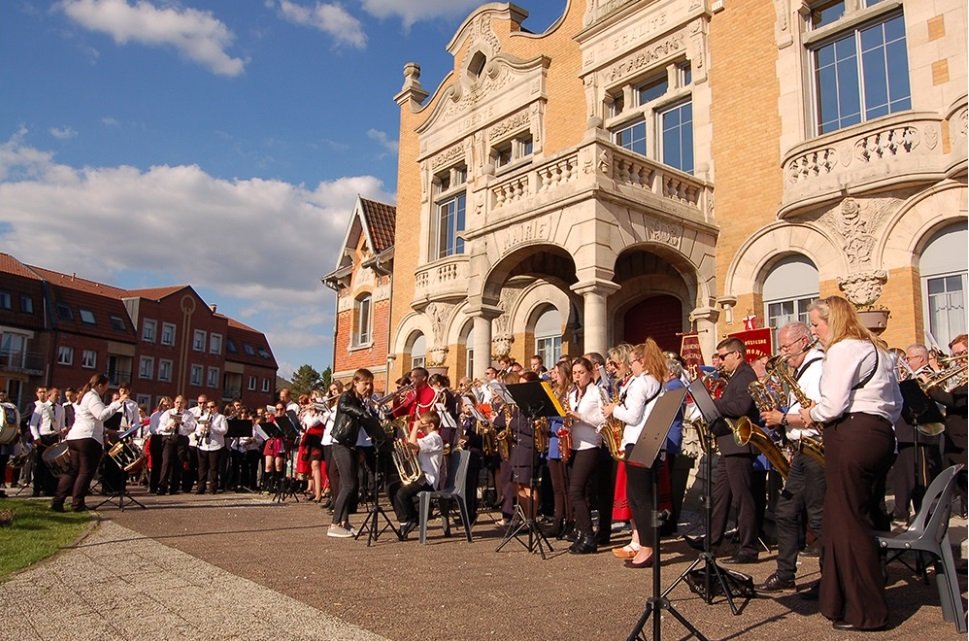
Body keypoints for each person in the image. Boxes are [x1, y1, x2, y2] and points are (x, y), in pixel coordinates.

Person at [798, 295, 901, 631]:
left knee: (847, 523)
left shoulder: (842, 349)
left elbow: (832, 405)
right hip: (880, 434)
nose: (814, 332)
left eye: (816, 324)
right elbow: (896, 404)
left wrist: (805, 414)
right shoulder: (878, 350)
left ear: (835, 320)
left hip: (852, 434)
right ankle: (843, 600)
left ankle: (866, 611)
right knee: (855, 516)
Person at [758, 321, 825, 592]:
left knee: (819, 518)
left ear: (804, 342)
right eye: (781, 347)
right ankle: (786, 572)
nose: (783, 353)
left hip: (816, 450)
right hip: (800, 450)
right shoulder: (800, 371)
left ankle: (829, 579)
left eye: (786, 346)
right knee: (785, 511)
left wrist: (783, 417)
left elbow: (819, 412)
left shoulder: (818, 368)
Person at [690, 337, 761, 563]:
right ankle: (712, 541)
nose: (719, 362)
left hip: (739, 445)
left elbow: (742, 407)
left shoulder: (746, 375)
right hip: (729, 444)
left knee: (743, 498)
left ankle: (748, 548)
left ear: (737, 354)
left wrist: (712, 403)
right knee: (720, 497)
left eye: (723, 357)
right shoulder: (735, 377)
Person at [604, 339, 666, 568]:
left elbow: (633, 417)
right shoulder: (656, 381)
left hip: (638, 442)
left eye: (633, 362)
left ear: (642, 361)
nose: (631, 367)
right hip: (650, 442)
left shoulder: (641, 383)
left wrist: (613, 409)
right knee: (643, 498)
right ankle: (647, 546)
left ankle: (647, 549)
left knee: (639, 499)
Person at [50, 374, 125, 512]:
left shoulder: (84, 396)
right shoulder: (92, 396)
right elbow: (101, 415)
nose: (105, 391)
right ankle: (77, 504)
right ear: (100, 385)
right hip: (88, 438)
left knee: (73, 471)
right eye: (105, 387)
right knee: (85, 472)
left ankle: (58, 501)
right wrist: (117, 403)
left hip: (75, 437)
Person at [889, 343, 943, 524]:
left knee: (919, 477)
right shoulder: (911, 376)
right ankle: (901, 510)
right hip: (905, 433)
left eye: (909, 358)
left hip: (921, 434)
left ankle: (923, 514)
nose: (906, 361)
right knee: (903, 475)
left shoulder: (927, 375)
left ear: (920, 358)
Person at [563, 356, 608, 554]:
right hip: (574, 444)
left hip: (590, 445)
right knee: (581, 493)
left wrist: (579, 416)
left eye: (581, 372)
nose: (577, 376)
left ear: (590, 373)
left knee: (575, 490)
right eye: (574, 373)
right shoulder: (572, 393)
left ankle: (589, 536)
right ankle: (581, 533)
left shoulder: (597, 392)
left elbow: (602, 419)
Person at [329, 369, 381, 538]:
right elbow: (344, 407)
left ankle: (344, 522)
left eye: (370, 383)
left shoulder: (361, 400)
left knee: (351, 484)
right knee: (349, 484)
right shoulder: (347, 396)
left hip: (352, 445)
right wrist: (363, 414)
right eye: (365, 383)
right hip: (341, 443)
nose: (368, 386)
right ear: (356, 382)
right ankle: (334, 524)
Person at [926, 334, 967, 516]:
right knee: (956, 480)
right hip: (953, 436)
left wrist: (931, 387)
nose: (959, 360)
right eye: (956, 354)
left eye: (963, 353)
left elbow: (954, 401)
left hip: (964, 438)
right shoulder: (962, 376)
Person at [392, 410, 445, 539]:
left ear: (431, 425)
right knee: (392, 488)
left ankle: (412, 520)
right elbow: (412, 448)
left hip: (428, 480)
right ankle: (405, 521)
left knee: (402, 493)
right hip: (421, 477)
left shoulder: (435, 438)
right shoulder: (428, 438)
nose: (420, 427)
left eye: (422, 424)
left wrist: (414, 426)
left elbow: (412, 445)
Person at [156, 395, 194, 495]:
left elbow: (192, 427)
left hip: (181, 439)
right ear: (174, 403)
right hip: (169, 437)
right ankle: (162, 487)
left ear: (185, 403)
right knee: (166, 462)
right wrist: (167, 427)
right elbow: (159, 427)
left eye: (181, 403)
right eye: (177, 402)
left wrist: (182, 422)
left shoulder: (188, 414)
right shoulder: (168, 413)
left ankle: (174, 487)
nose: (179, 405)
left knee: (179, 463)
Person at [28, 386, 59, 497]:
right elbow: (33, 424)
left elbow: (62, 425)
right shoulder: (41, 407)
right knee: (40, 464)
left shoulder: (61, 408)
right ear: (49, 395)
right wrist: (36, 437)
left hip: (54, 437)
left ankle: (49, 489)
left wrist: (63, 430)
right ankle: (37, 489)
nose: (58, 397)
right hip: (43, 437)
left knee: (52, 465)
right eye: (56, 395)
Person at [194, 399, 227, 494]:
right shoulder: (203, 417)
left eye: (212, 407)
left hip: (215, 445)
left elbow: (224, 431)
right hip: (203, 445)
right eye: (208, 407)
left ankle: (213, 489)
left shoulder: (221, 418)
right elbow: (197, 430)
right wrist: (201, 431)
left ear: (216, 407)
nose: (209, 409)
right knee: (202, 468)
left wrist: (212, 426)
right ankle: (201, 488)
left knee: (213, 468)